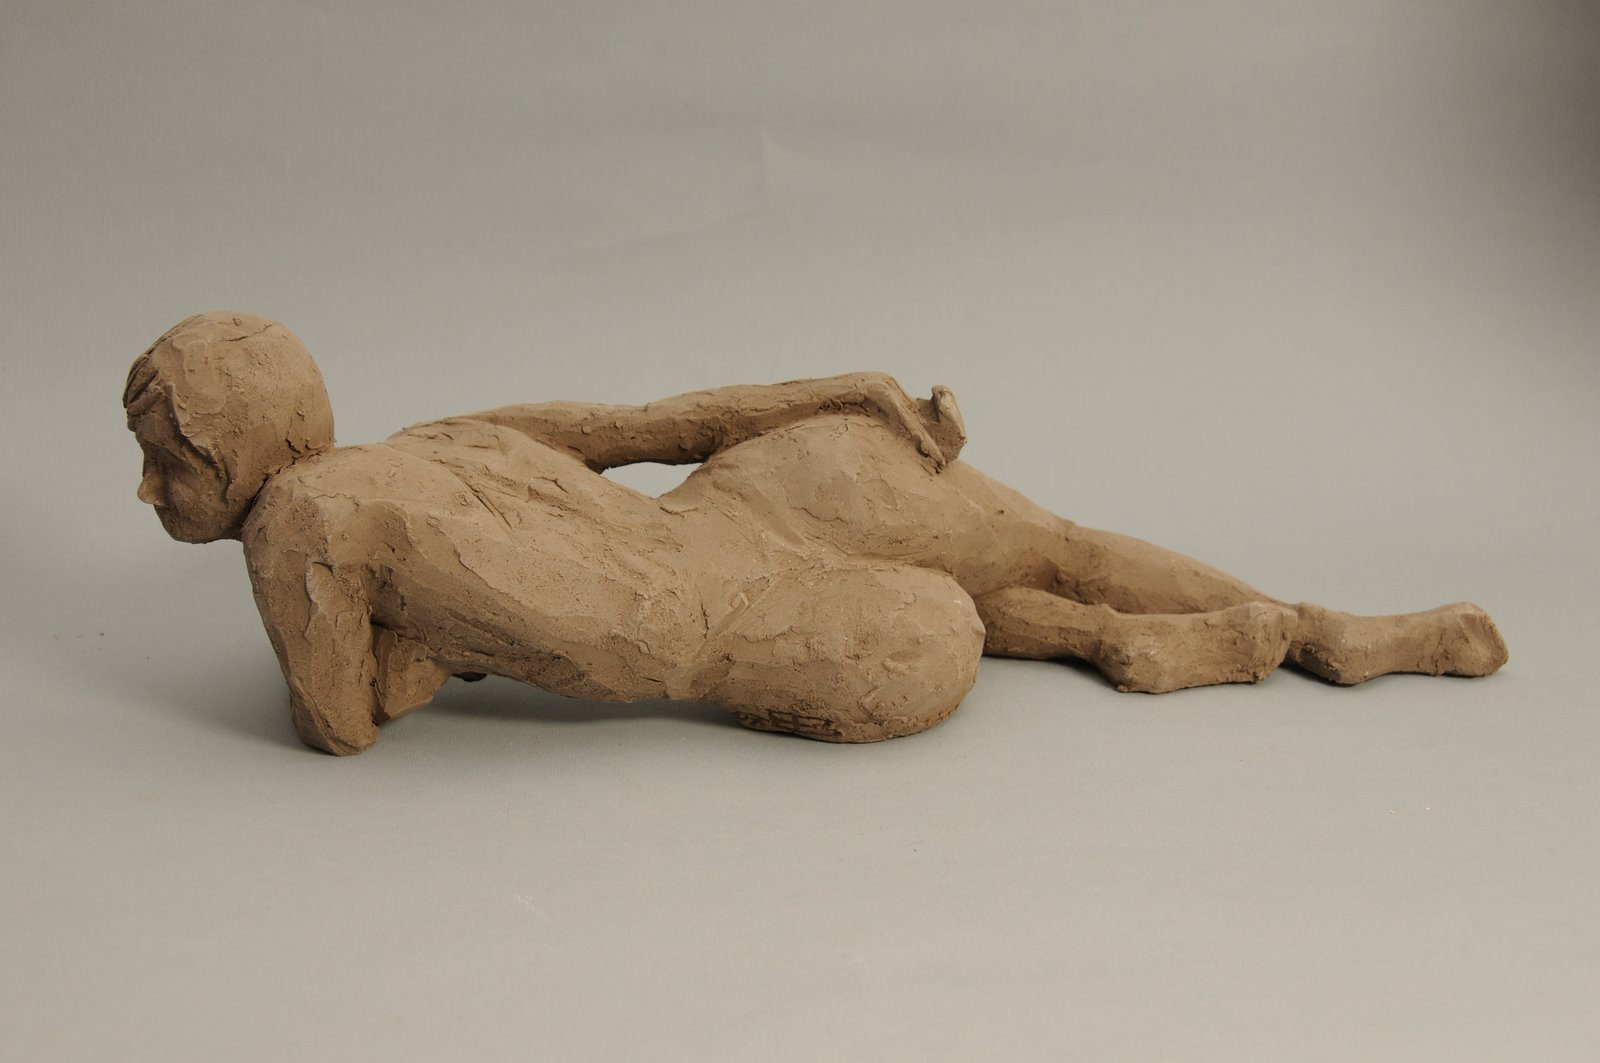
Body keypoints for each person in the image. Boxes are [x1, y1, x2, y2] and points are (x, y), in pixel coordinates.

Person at [125, 312, 1509, 755]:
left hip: (735, 621)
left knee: (943, 626)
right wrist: (847, 392)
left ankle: (1128, 646)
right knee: (1059, 546)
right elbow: (655, 424)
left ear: (234, 453)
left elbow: (342, 723)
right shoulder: (431, 437)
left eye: (165, 462)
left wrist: (430, 650)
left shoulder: (301, 522)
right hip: (771, 493)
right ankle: (1309, 628)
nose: (148, 494)